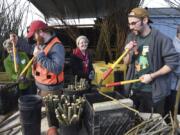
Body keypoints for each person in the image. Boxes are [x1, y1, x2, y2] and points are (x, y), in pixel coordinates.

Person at [123, 7, 179, 115]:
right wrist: (127, 51)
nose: (131, 27)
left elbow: (172, 64)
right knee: (135, 122)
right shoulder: (131, 37)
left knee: (152, 124)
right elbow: (126, 62)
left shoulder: (161, 39)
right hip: (134, 88)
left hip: (153, 92)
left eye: (134, 23)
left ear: (145, 20)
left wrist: (152, 76)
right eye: (129, 24)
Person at [27, 20, 65, 97]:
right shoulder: (43, 43)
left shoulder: (57, 46)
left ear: (41, 32)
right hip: (41, 87)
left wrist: (40, 56)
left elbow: (57, 68)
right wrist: (17, 42)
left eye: (34, 36)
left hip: (50, 91)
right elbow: (29, 48)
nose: (34, 39)